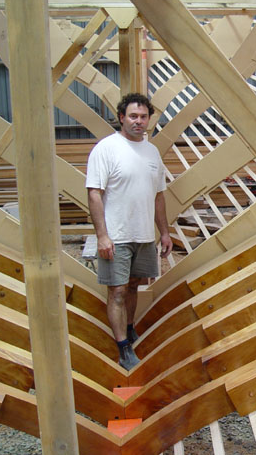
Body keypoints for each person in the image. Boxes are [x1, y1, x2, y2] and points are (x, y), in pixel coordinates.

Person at [86, 93, 172, 371]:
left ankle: (130, 328)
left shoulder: (152, 152)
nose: (138, 121)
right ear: (122, 117)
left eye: (143, 117)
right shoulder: (106, 149)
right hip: (117, 236)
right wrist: (102, 236)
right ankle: (123, 348)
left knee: (134, 285)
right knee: (118, 291)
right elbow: (94, 194)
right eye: (133, 116)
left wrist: (164, 233)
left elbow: (158, 196)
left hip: (144, 235)